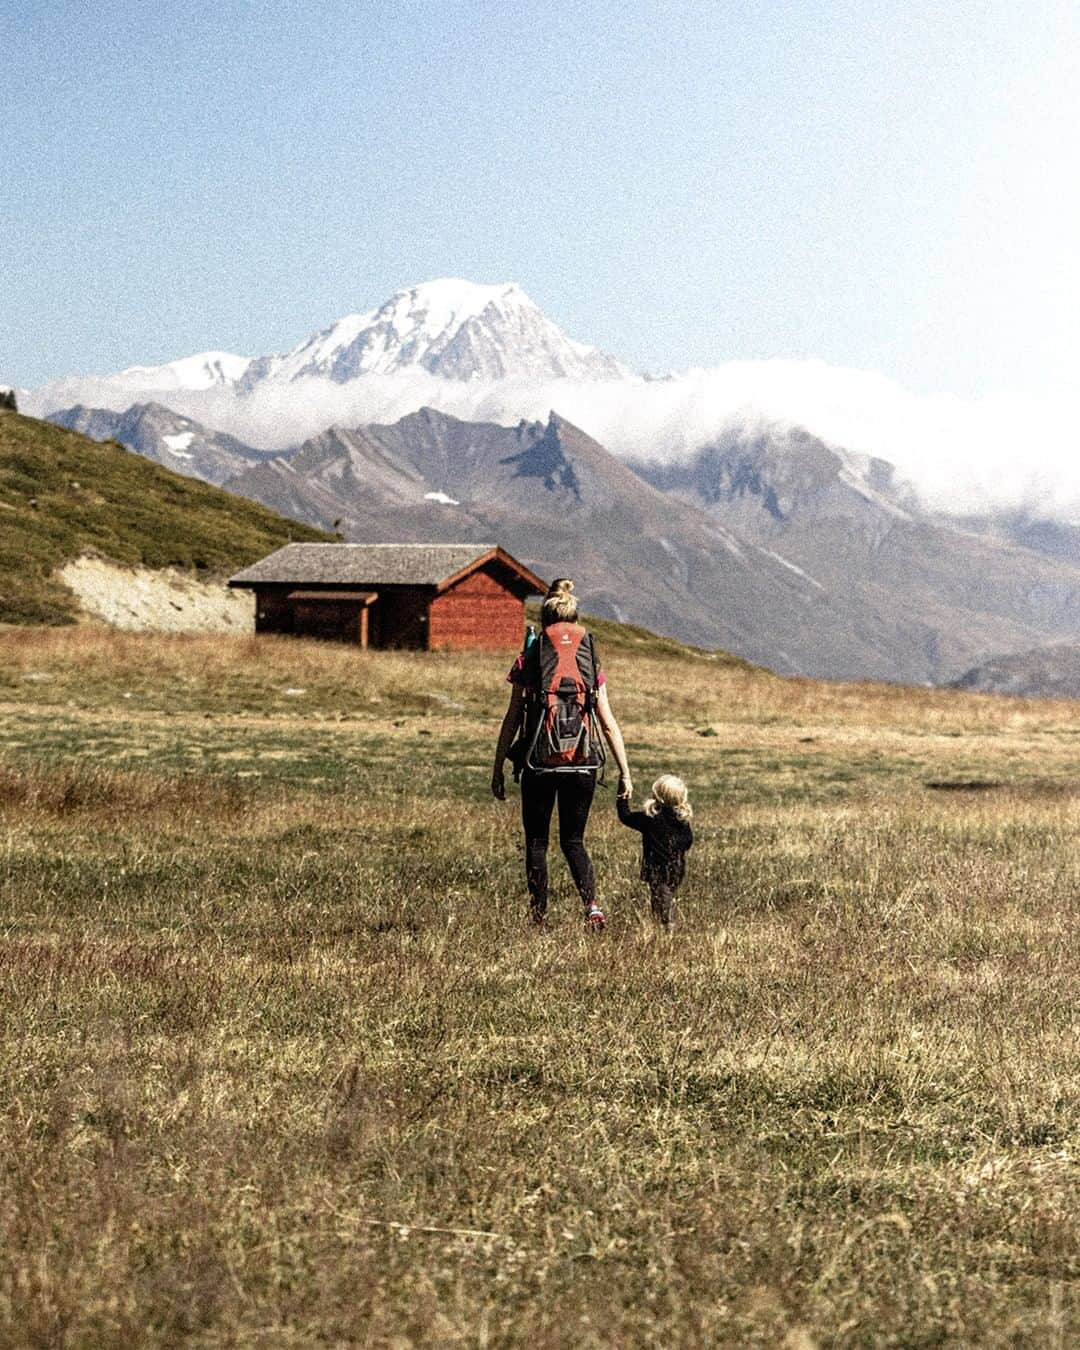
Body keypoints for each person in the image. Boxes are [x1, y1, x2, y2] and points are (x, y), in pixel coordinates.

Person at [491, 578, 632, 929]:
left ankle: (538, 918)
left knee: (537, 842)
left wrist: (497, 766)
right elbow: (609, 722)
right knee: (574, 841)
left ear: (544, 619)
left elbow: (512, 718)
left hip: (539, 762)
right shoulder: (590, 663)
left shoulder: (529, 659)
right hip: (583, 761)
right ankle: (593, 906)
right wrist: (625, 772)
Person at [617, 774, 693, 927]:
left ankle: (667, 927)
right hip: (677, 867)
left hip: (657, 868)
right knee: (662, 895)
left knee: (662, 898)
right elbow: (688, 841)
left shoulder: (650, 818)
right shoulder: (681, 819)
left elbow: (625, 816)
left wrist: (622, 797)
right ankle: (660, 925)